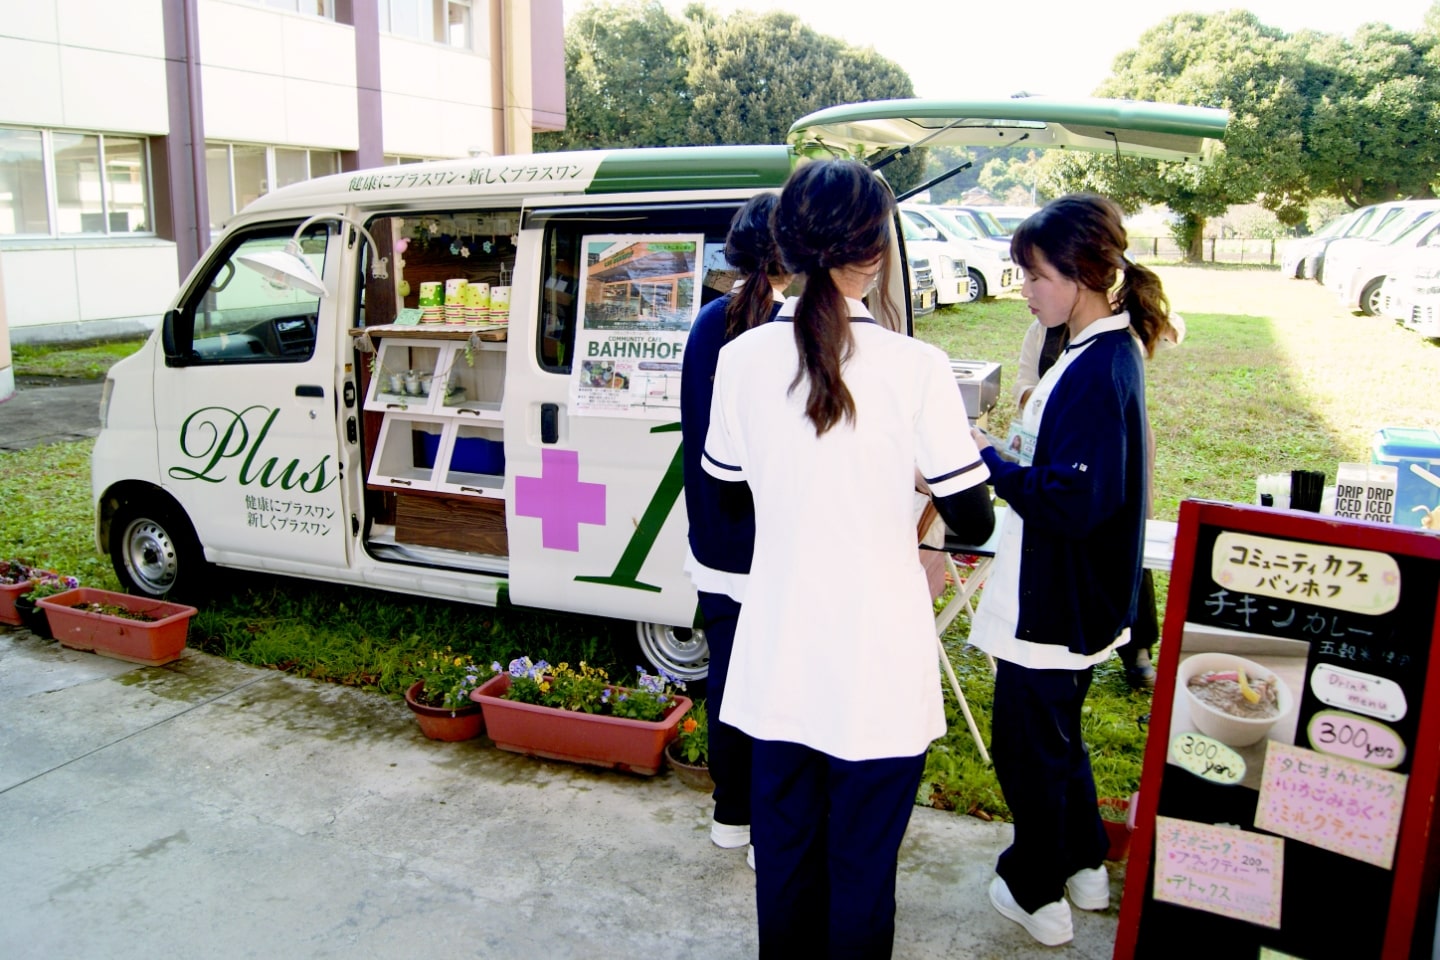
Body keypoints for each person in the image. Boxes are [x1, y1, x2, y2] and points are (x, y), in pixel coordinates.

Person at [702, 159, 994, 958]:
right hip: (878, 661)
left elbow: (728, 489)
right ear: (876, 254)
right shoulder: (917, 367)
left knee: (786, 864)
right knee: (863, 869)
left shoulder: (741, 358)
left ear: (787, 247)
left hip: (778, 654)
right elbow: (972, 517)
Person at [968, 193, 1167, 947]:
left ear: (1080, 274)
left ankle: (1034, 889)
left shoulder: (1095, 365)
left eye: (1033, 275)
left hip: (1056, 595)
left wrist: (989, 462)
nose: (1025, 289)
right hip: (1079, 594)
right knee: (1056, 736)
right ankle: (1084, 859)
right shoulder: (1096, 350)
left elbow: (1075, 499)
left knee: (1027, 747)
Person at [679, 192, 789, 863]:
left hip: (714, 538)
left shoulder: (705, 325)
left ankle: (730, 813)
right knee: (775, 684)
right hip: (774, 545)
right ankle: (768, 828)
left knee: (726, 677)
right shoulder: (791, 333)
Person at [1010, 310, 1185, 691]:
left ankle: (1137, 645)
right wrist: (1049, 399)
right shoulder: (1039, 331)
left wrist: (1152, 316)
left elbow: (1174, 332)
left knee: (1123, 540)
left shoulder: (1114, 332)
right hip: (1054, 445)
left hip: (1117, 444)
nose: (1027, 292)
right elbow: (1022, 385)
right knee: (1061, 539)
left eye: (1036, 276)